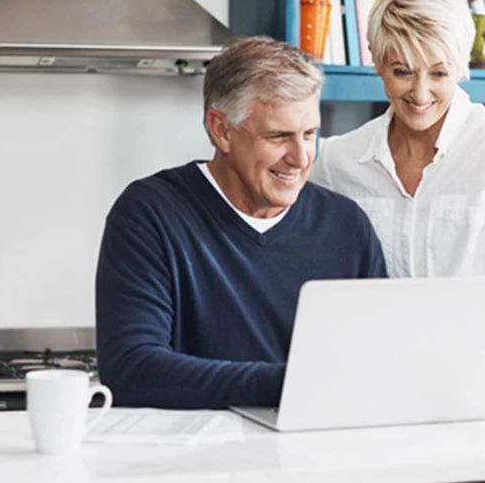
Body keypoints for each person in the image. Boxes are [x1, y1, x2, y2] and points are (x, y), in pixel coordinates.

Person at [309, 0, 485, 414]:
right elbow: (316, 280)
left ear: (462, 66)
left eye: (438, 73)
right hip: (374, 391)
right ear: (377, 64)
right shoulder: (339, 160)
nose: (420, 93)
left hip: (483, 389)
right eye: (402, 71)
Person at [95, 36, 388, 410]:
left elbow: (379, 365)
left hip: (316, 455)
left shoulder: (347, 227)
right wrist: (289, 384)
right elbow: (132, 371)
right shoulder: (149, 215)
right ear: (221, 130)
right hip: (195, 463)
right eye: (279, 136)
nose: (300, 158)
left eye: (311, 134)